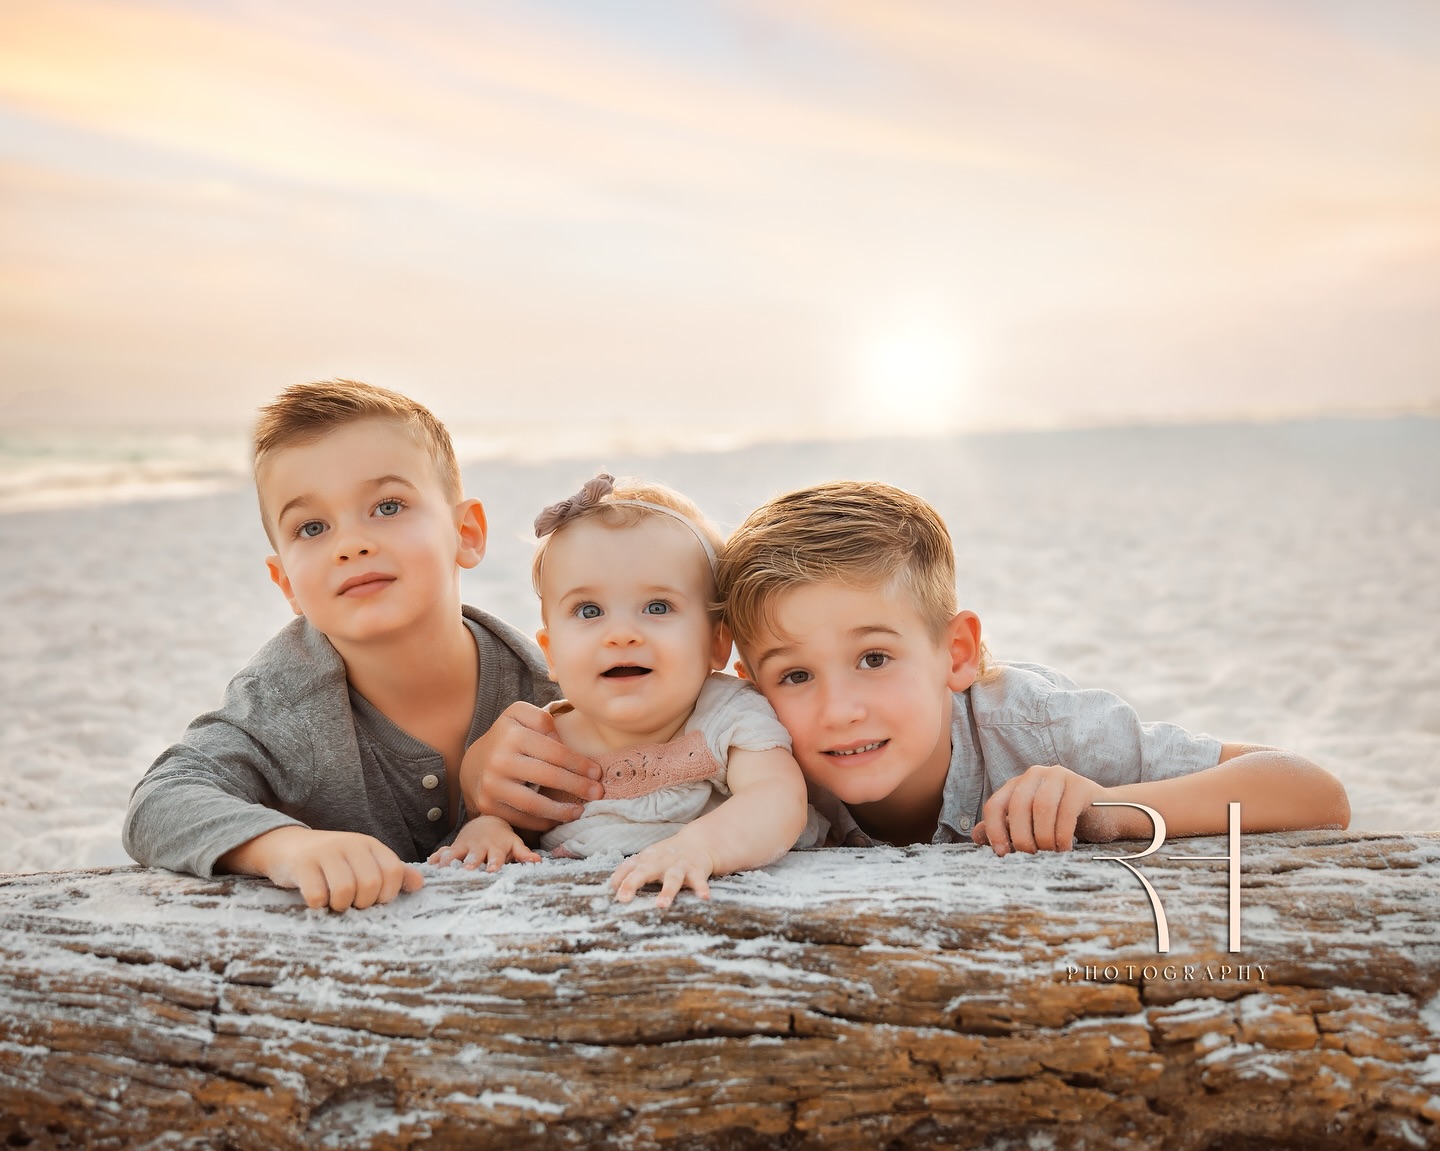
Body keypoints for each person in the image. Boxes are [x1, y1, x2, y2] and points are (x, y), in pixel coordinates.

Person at [467, 480, 1348, 855]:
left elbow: (1309, 788)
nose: (841, 708)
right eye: (796, 675)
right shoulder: (742, 741)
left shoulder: (1028, 726)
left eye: (876, 657)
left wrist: (1115, 810)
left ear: (955, 652)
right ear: (734, 669)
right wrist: (486, 781)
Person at [122, 379, 557, 912]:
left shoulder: (547, 687)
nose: (351, 544)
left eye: (388, 506)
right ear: (287, 585)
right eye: (311, 527)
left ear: (465, 533)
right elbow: (158, 803)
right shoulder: (285, 705)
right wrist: (286, 846)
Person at [432, 475, 812, 907]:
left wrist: (700, 848)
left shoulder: (727, 715)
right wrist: (489, 831)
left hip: (722, 908)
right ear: (551, 653)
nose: (622, 634)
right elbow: (507, 819)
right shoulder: (544, 746)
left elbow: (777, 798)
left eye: (657, 607)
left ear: (716, 642)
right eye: (589, 610)